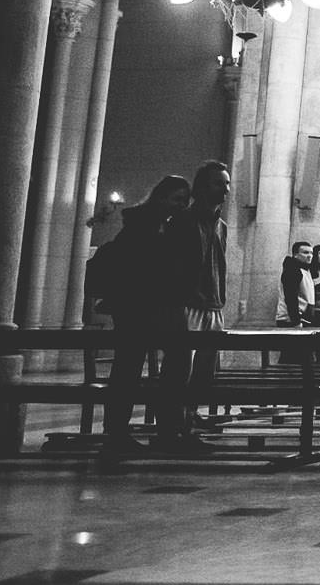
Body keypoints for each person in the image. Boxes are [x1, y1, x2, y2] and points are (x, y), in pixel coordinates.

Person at [90, 174, 188, 457]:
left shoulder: (156, 223)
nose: (180, 206)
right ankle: (117, 433)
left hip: (144, 305)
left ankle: (125, 431)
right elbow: (141, 268)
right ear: (161, 196)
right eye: (176, 199)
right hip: (135, 306)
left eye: (184, 201)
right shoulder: (143, 225)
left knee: (129, 368)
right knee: (127, 369)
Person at [158, 161, 231, 452]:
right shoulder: (184, 221)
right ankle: (169, 430)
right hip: (187, 304)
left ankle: (188, 422)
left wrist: (220, 299)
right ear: (202, 187)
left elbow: (219, 266)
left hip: (213, 305)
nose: (225, 189)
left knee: (203, 373)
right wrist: (175, 305)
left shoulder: (222, 226)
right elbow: (171, 267)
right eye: (218, 183)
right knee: (178, 371)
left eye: (227, 184)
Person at [277, 241, 315, 328]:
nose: (310, 256)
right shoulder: (292, 269)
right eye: (305, 252)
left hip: (301, 319)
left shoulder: (305, 269)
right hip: (291, 320)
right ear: (295, 255)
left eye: (311, 253)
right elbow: (290, 297)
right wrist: (296, 321)